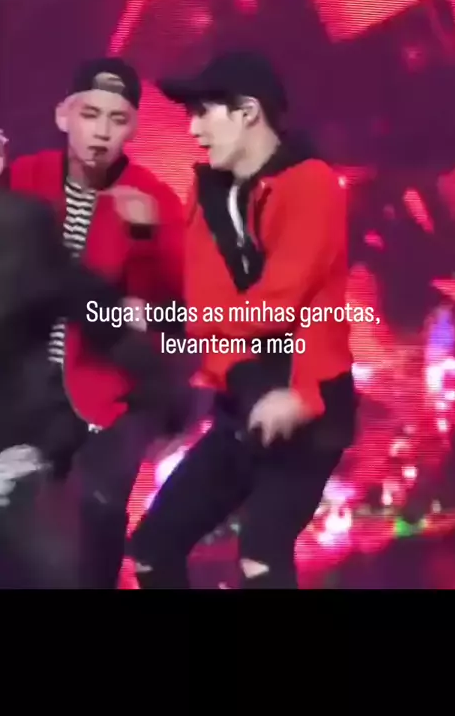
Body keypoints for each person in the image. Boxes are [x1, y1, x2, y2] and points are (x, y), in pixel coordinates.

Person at [130, 50, 358, 589]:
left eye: (204, 113)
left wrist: (299, 394)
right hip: (242, 405)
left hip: (308, 404)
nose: (193, 129)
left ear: (248, 112)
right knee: (151, 550)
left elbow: (287, 303)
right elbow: (208, 303)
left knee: (261, 551)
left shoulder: (310, 184)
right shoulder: (208, 192)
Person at [0, 57, 185, 587]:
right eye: (90, 114)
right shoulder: (24, 181)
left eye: (117, 119)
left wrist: (146, 237)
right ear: (63, 116)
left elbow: (179, 305)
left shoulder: (154, 198)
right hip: (26, 395)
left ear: (133, 129)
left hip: (109, 394)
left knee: (98, 511)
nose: (102, 132)